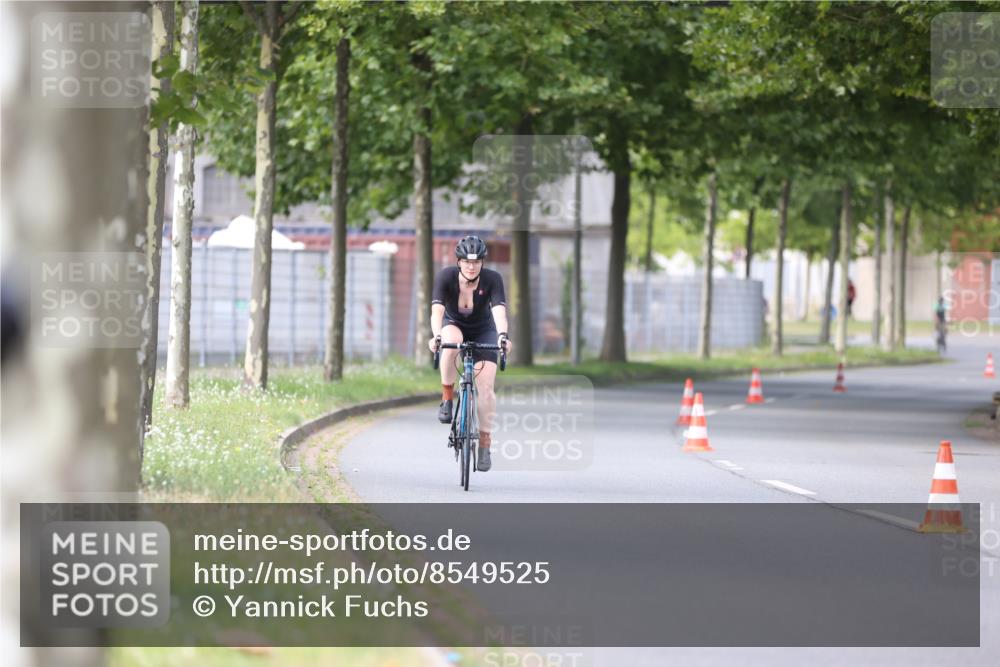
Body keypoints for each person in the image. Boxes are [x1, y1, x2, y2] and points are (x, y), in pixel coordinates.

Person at [428, 236, 511, 472]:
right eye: (466, 262)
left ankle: (484, 444)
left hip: (484, 330)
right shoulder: (445, 277)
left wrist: (502, 336)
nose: (471, 267)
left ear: (483, 262)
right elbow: (437, 312)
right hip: (454, 324)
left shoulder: (493, 279)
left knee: (485, 387)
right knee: (450, 341)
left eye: (476, 262)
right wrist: (436, 336)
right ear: (459, 262)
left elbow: (499, 313)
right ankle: (446, 398)